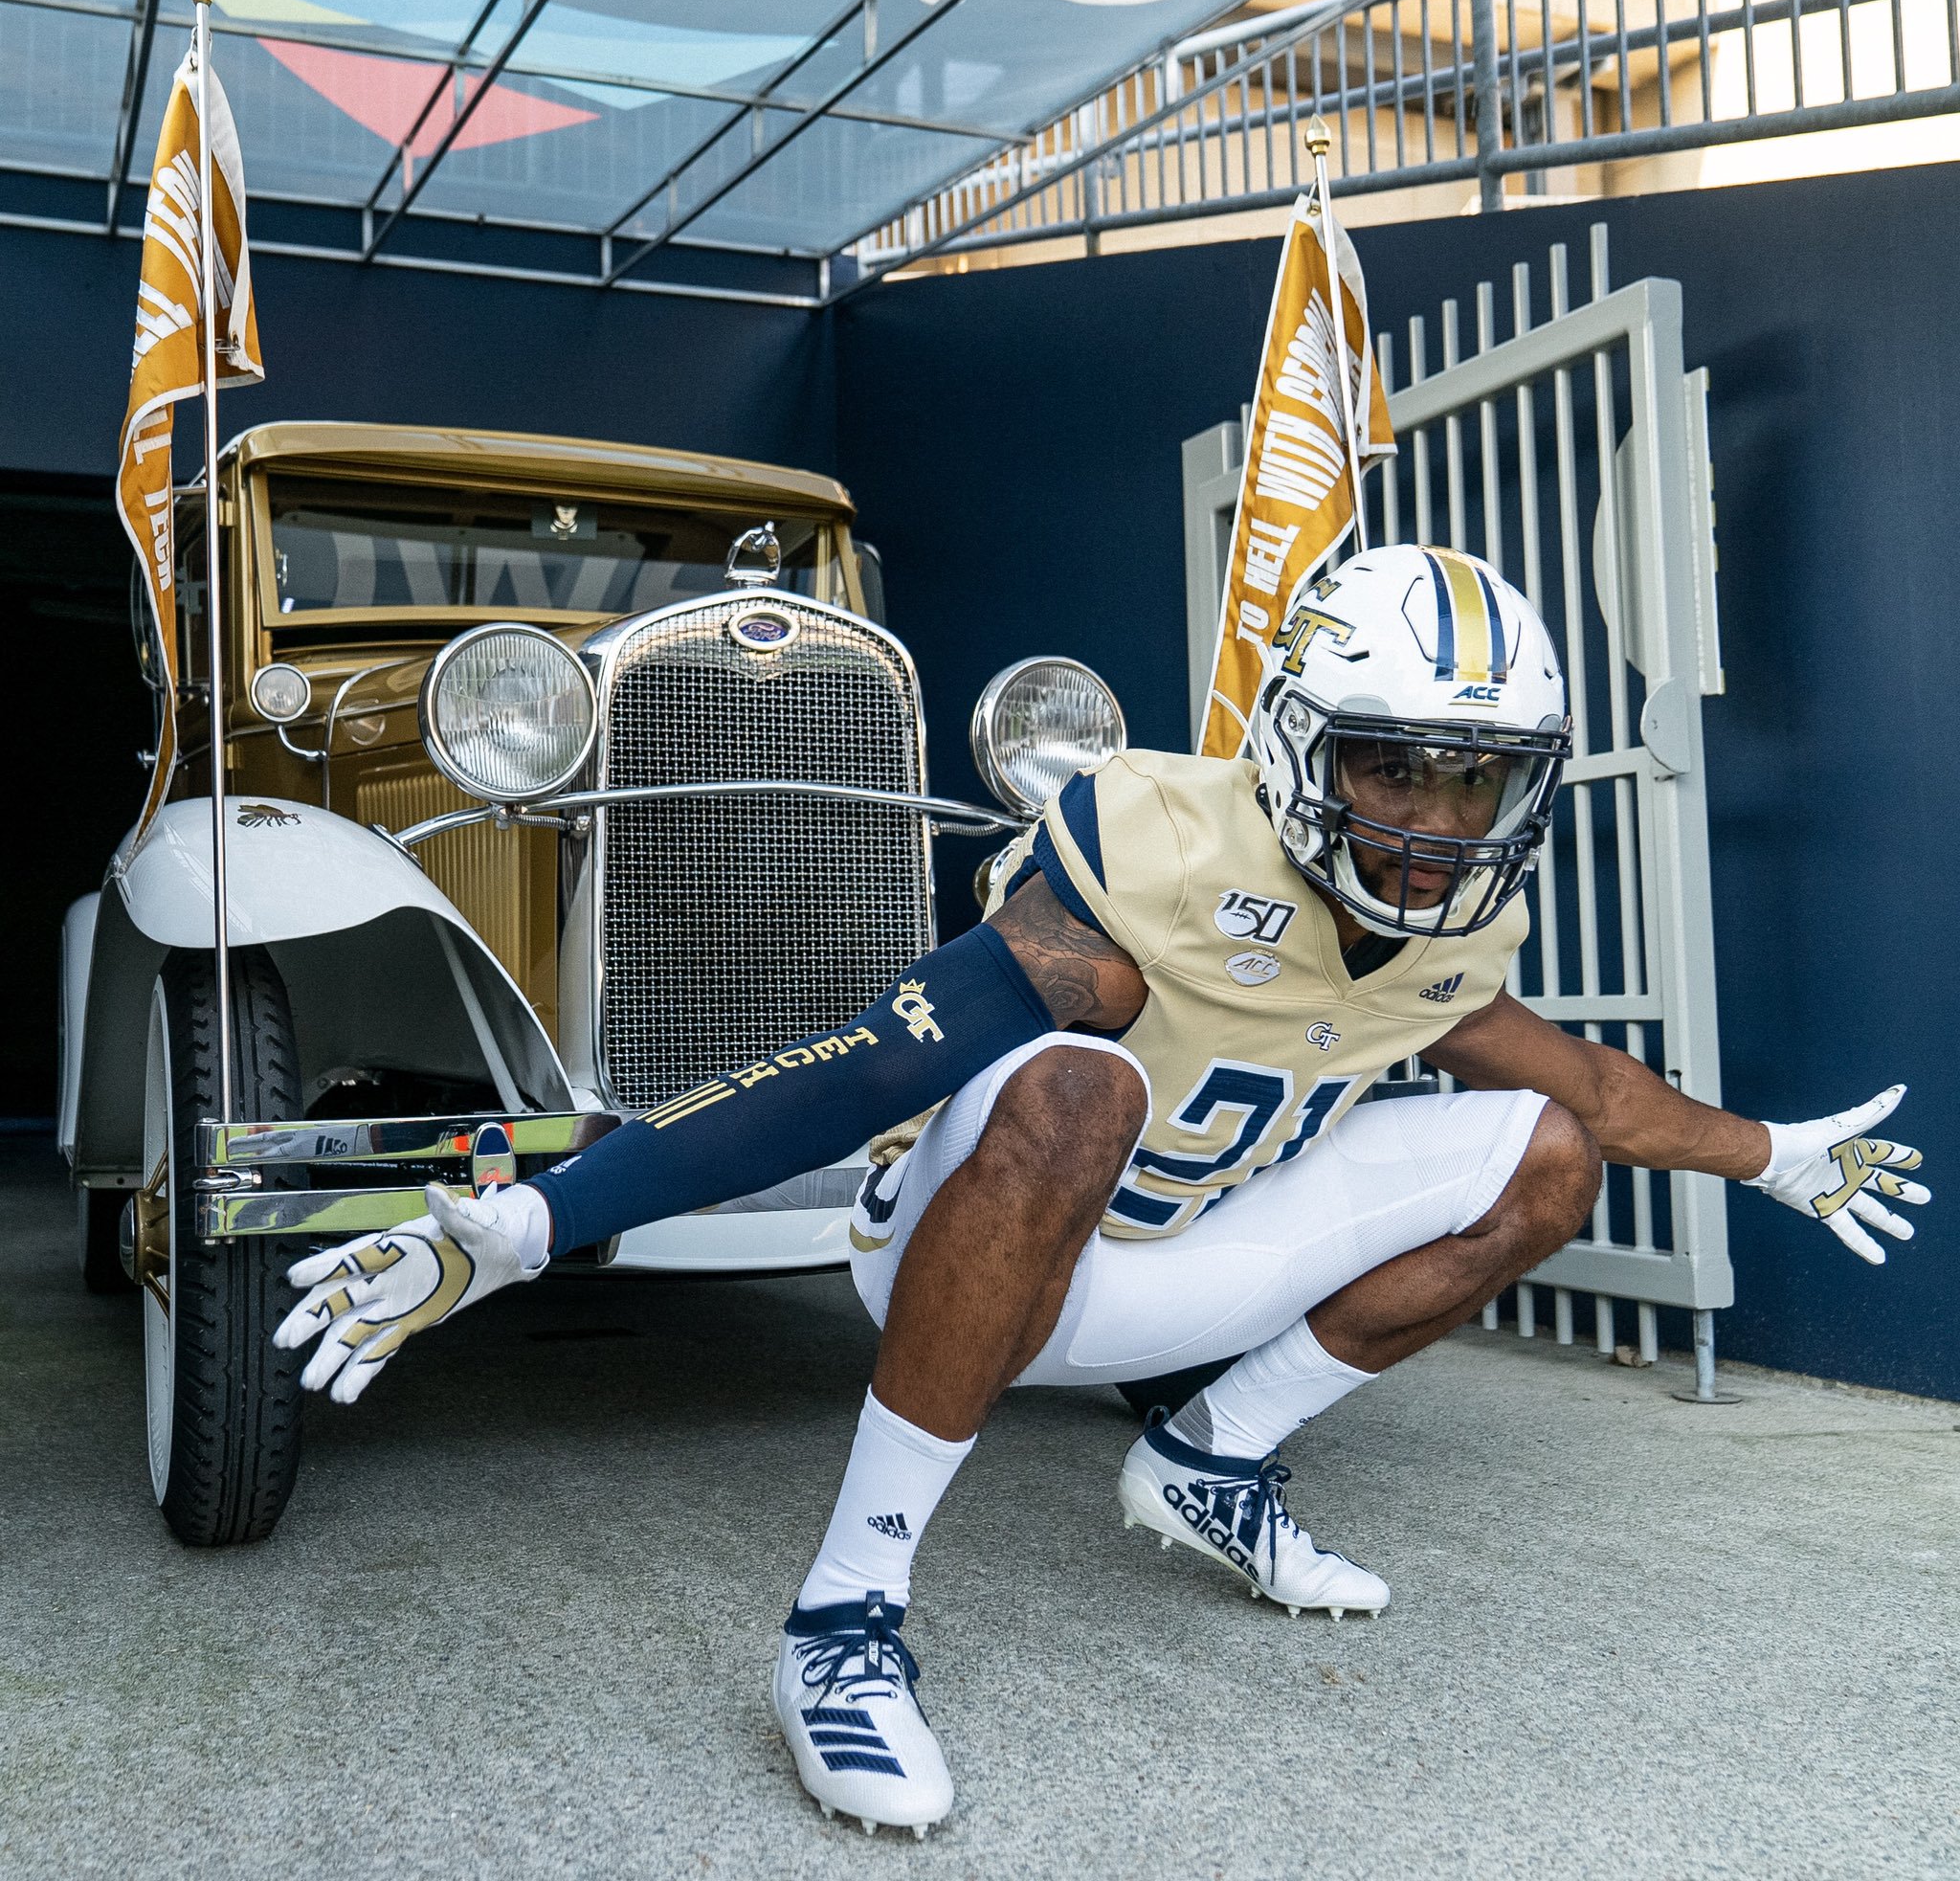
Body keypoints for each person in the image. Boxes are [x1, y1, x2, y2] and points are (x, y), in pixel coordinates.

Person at [275, 544, 1929, 1839]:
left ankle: (1215, 1458)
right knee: (1078, 1088)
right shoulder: (1156, 854)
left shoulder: (1453, 935)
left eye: (1472, 784)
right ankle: (843, 1618)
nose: (1434, 829)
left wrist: (1778, 1156)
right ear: (1297, 749)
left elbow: (1591, 1090)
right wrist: (544, 1222)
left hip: (1189, 1263)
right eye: (1395, 773)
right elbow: (866, 1066)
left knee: (1548, 1153)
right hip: (964, 1249)